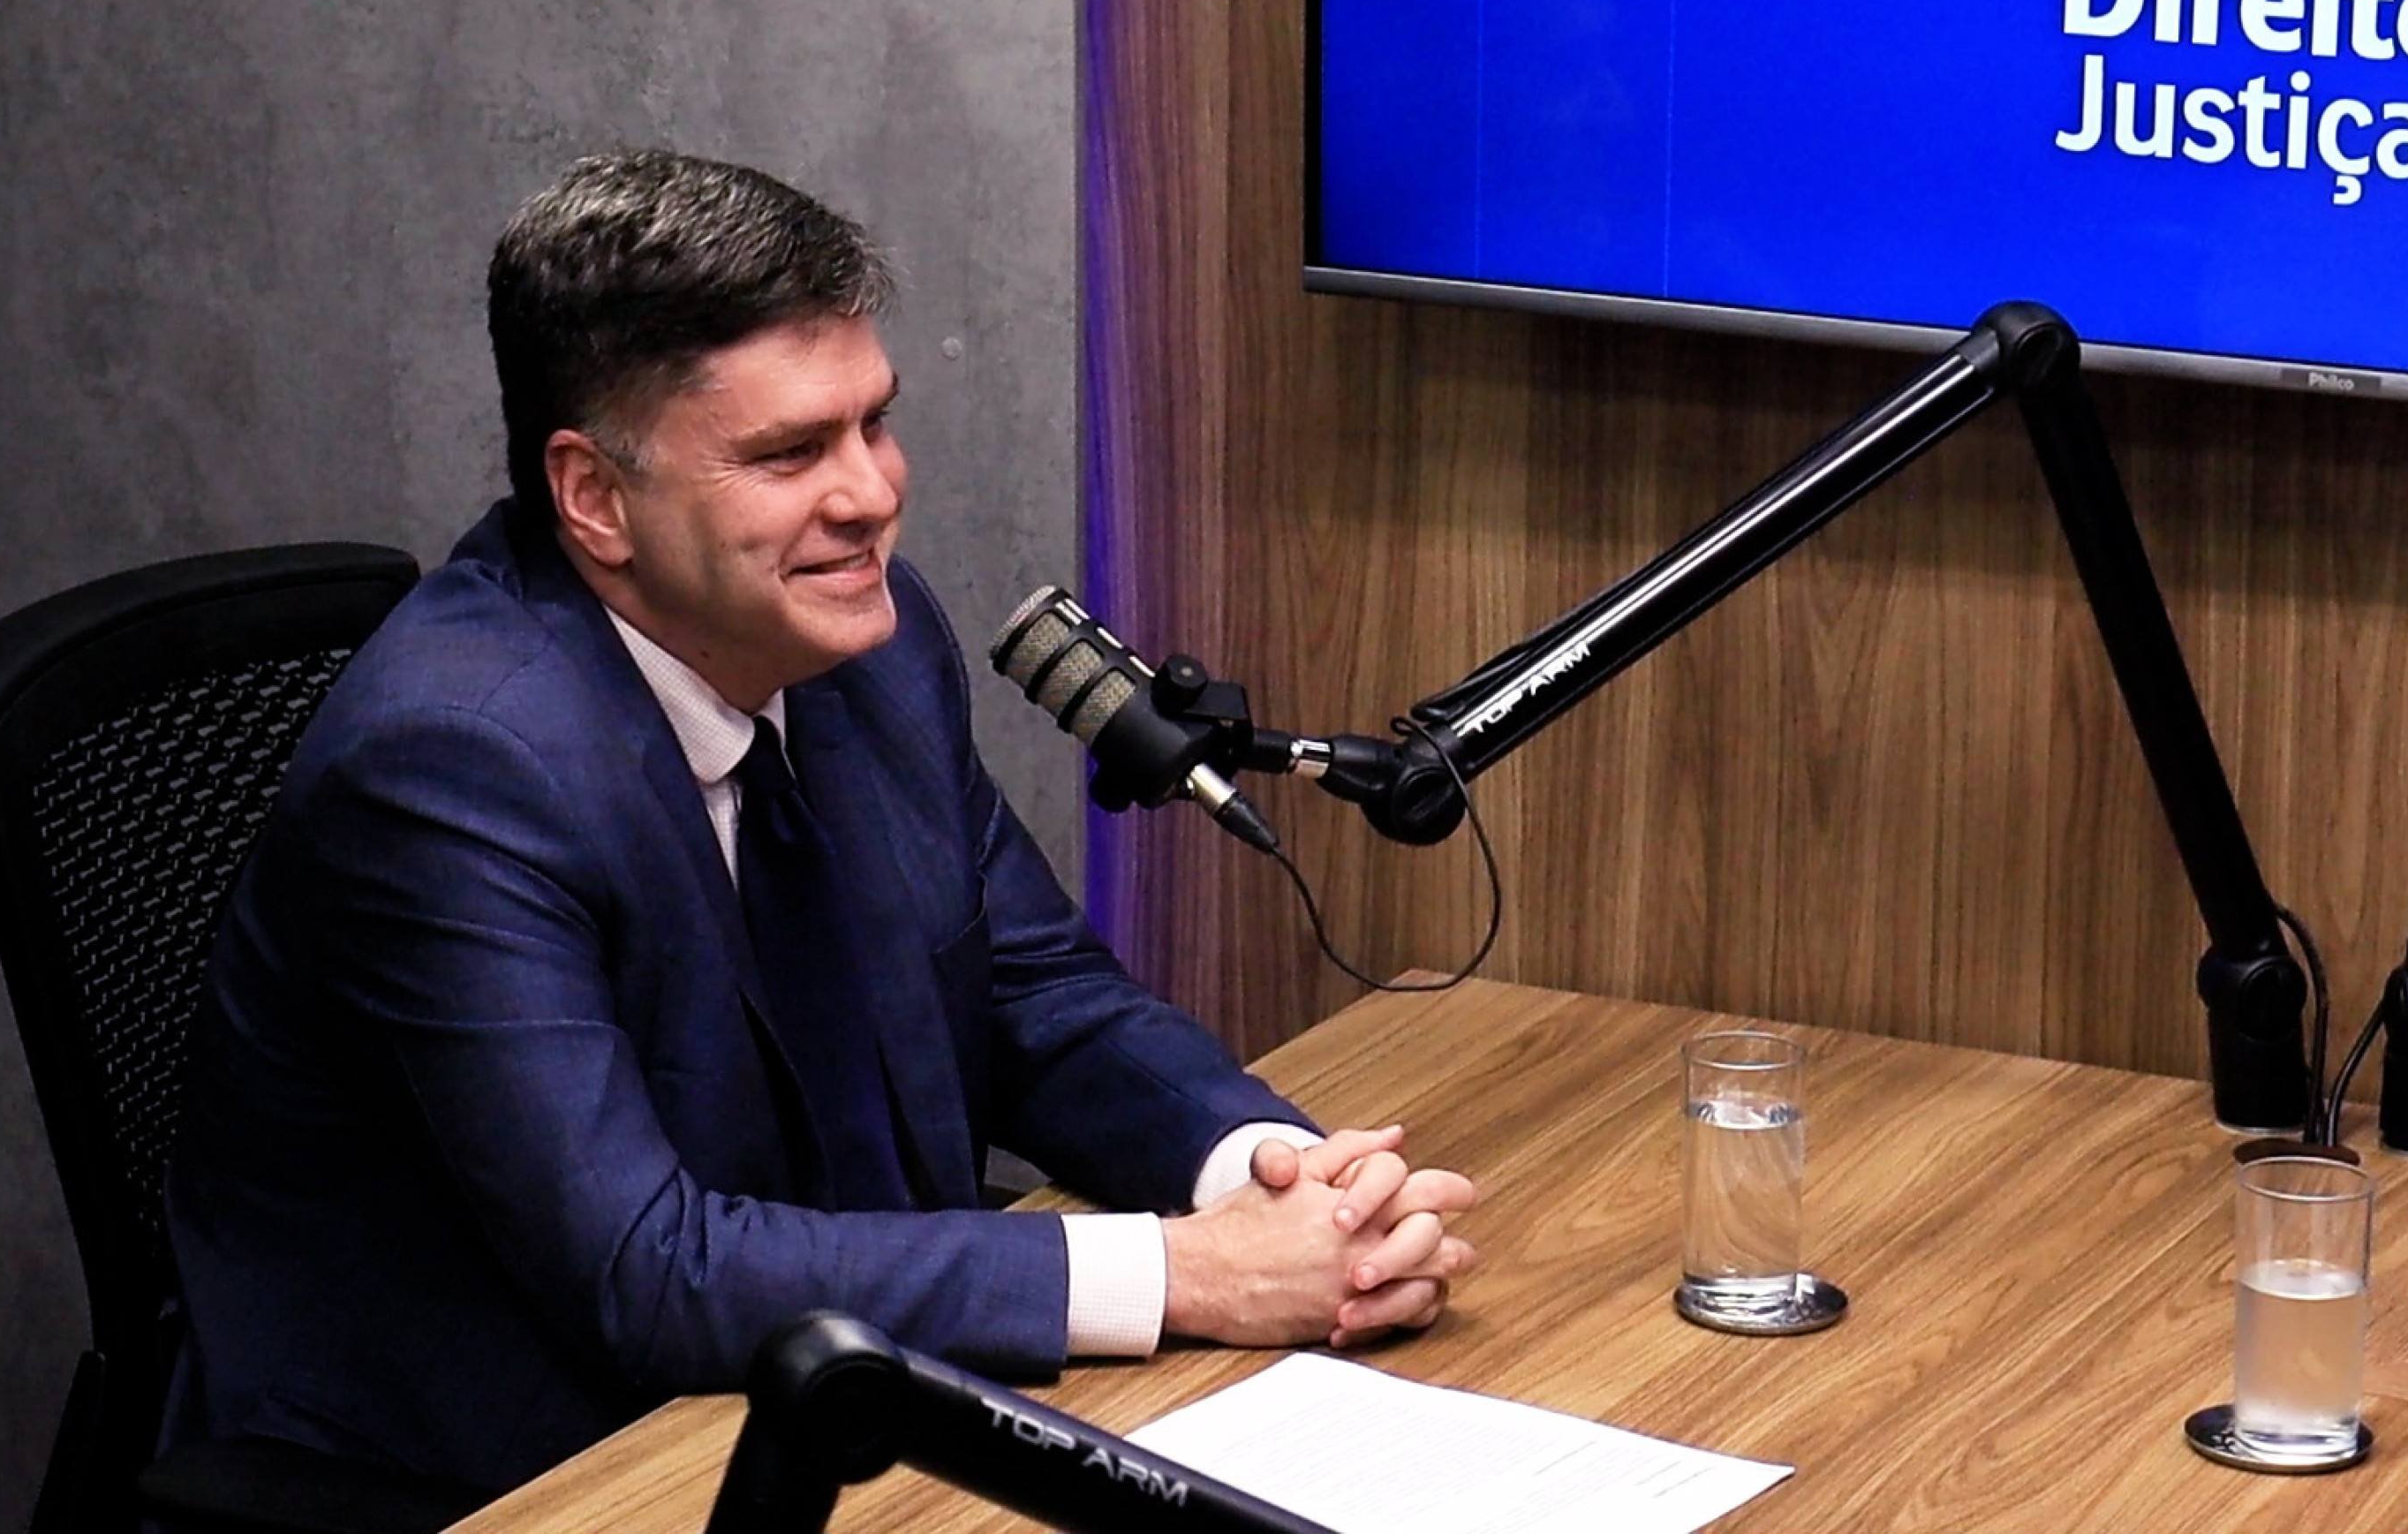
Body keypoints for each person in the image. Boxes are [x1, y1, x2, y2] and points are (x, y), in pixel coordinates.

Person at [162, 149, 1477, 1499]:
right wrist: (1179, 1273)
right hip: (517, 1468)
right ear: (594, 496)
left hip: (814, 1394)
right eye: (789, 453)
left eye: (872, 423)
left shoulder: (866, 649)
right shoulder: (451, 766)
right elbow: (644, 1268)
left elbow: (1034, 994)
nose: (870, 494)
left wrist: (1266, 1174)